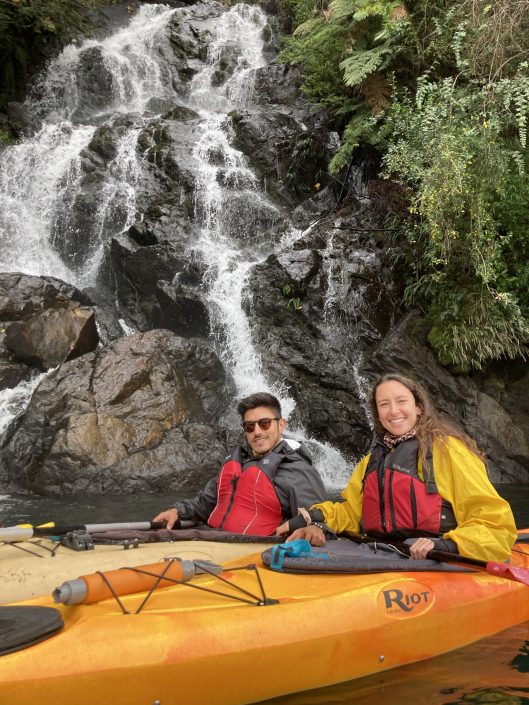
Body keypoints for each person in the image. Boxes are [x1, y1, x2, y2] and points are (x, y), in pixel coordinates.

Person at [286, 373, 517, 562]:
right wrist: (312, 517)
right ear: (378, 415)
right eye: (384, 404)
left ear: (418, 407)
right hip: (383, 555)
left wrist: (449, 544)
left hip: (439, 559)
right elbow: (352, 512)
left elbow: (496, 524)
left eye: (401, 401)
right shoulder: (371, 462)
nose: (393, 411)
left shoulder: (448, 451)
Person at [153, 392, 326, 536]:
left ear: (281, 425)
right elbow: (205, 503)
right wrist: (177, 511)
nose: (257, 432)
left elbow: (318, 519)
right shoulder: (238, 462)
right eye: (250, 426)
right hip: (212, 542)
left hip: (256, 555)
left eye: (264, 423)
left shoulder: (299, 471)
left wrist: (315, 528)